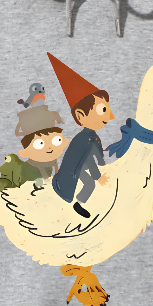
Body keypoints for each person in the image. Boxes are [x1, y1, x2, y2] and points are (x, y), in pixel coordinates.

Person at [47, 53, 114, 217]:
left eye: (107, 109)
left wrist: (101, 168)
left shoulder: (90, 137)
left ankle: (79, 203)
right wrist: (98, 175)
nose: (109, 116)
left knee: (90, 183)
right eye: (102, 110)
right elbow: (87, 159)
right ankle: (78, 204)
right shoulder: (85, 139)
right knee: (90, 184)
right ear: (80, 116)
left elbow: (94, 156)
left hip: (79, 168)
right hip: (75, 170)